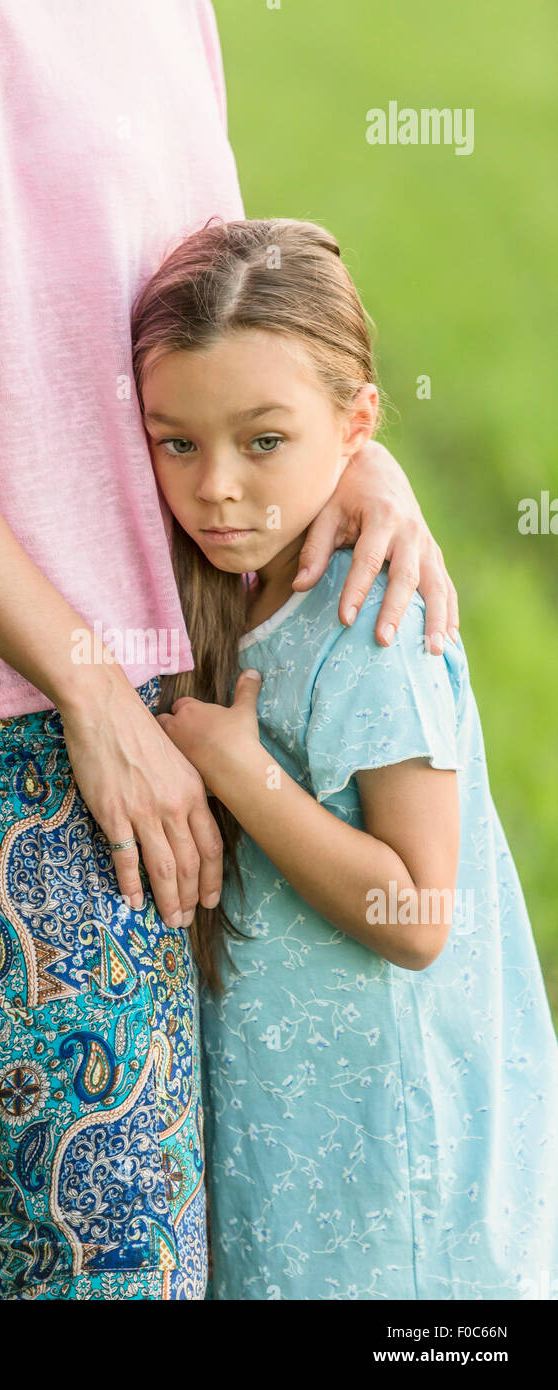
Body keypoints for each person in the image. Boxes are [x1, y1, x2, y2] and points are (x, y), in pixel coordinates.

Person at [0, 1, 457, 1300]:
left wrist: (355, 459)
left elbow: (225, 333)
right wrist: (90, 688)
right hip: (11, 745)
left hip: (184, 726)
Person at [133, 216, 558, 1300]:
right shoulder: (224, 590)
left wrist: (243, 773)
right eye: (175, 442)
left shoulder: (372, 626)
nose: (216, 487)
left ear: (356, 424)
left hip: (393, 1155)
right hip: (294, 1129)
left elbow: (415, 917)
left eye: (261, 442)